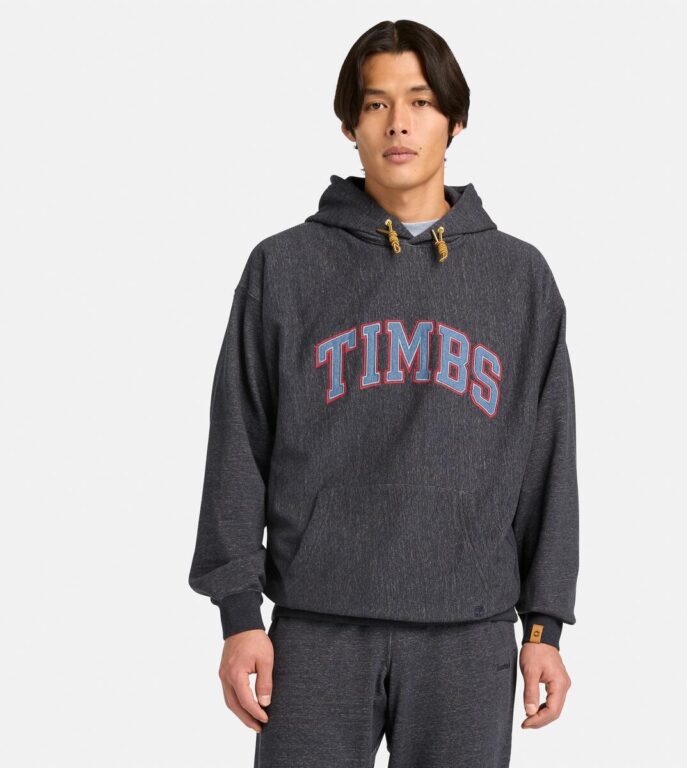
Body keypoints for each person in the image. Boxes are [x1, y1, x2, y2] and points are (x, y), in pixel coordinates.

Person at [188, 18, 579, 768]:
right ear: (350, 124)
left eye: (421, 101)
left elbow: (548, 463)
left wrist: (544, 627)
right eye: (376, 104)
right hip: (315, 630)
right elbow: (238, 442)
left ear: (455, 120)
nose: (398, 123)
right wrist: (239, 614)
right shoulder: (284, 267)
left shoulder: (519, 279)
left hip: (470, 635)